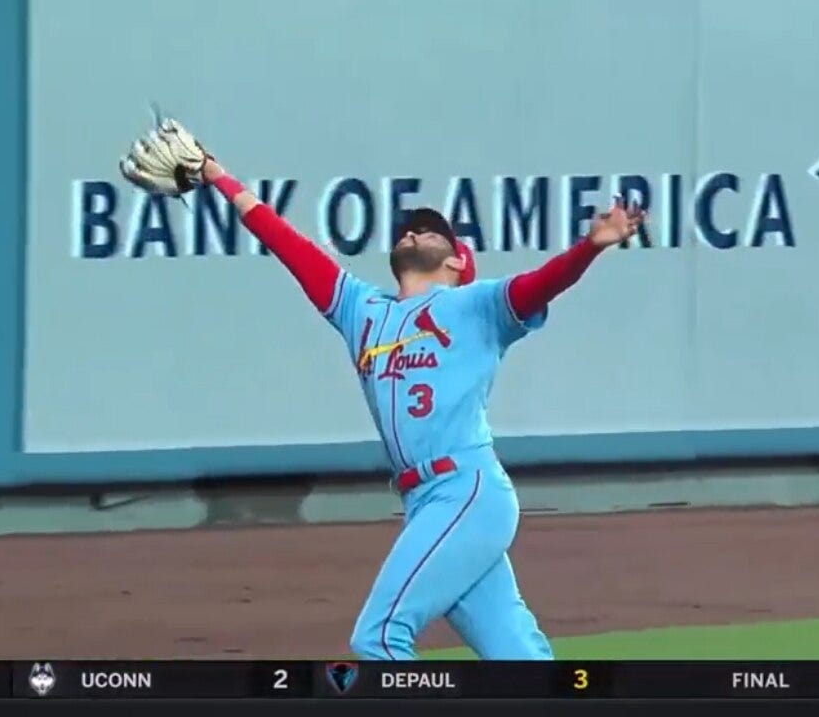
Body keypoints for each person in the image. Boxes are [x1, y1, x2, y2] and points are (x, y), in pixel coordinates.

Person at [121, 120, 645, 660]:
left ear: (458, 261)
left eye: (432, 229)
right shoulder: (360, 311)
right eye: (410, 226)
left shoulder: (478, 307)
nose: (415, 231)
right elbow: (287, 243)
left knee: (379, 637)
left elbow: (542, 283)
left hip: (466, 489)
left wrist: (591, 247)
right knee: (518, 658)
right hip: (428, 504)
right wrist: (218, 176)